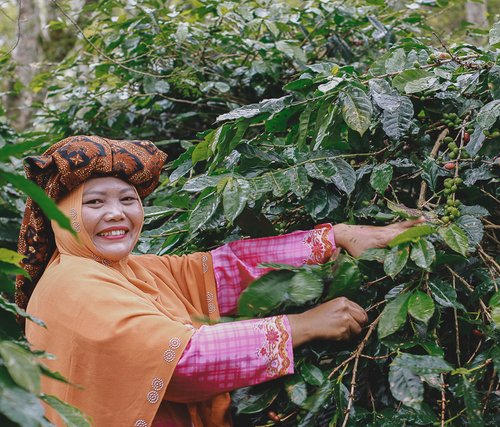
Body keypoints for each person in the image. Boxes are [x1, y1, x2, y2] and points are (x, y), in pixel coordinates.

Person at [16, 136, 423, 427]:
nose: (116, 214)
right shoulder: (76, 285)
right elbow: (180, 363)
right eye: (94, 202)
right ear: (61, 215)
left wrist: (335, 237)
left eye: (127, 200)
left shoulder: (124, 268)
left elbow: (220, 271)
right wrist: (300, 326)